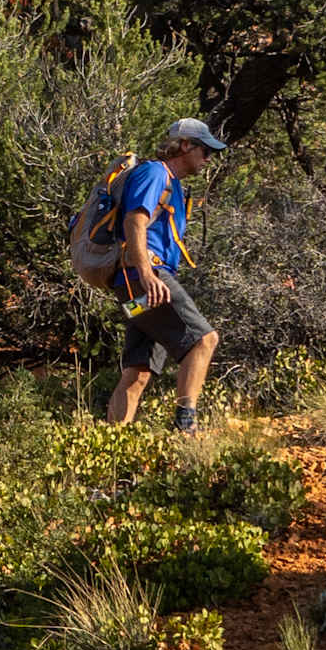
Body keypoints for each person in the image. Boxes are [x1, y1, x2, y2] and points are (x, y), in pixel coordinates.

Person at [101, 117, 228, 432]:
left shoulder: (174, 184)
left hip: (135, 286)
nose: (208, 158)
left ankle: (115, 446)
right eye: (204, 150)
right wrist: (147, 275)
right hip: (145, 279)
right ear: (185, 145)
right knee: (204, 339)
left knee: (138, 370)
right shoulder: (156, 172)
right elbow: (135, 221)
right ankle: (186, 428)